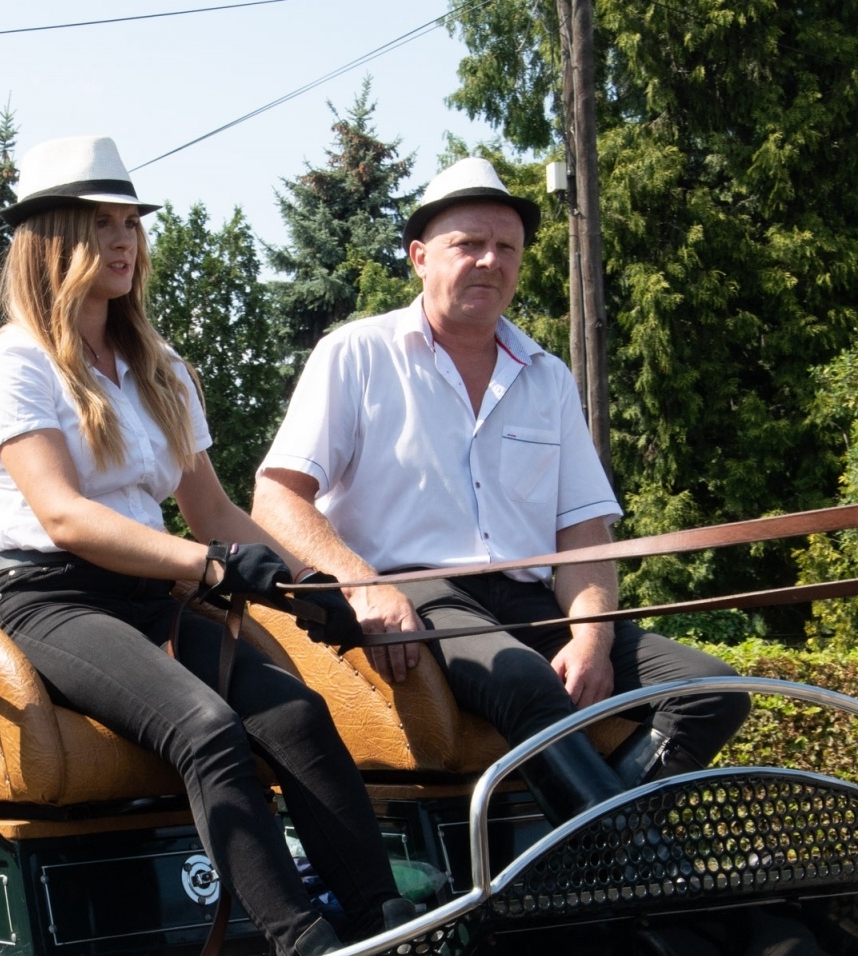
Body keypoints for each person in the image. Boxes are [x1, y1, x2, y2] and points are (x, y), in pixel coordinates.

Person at [0, 135, 409, 956]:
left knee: (298, 714)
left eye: (131, 222)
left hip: (152, 590)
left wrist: (314, 589)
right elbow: (64, 517)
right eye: (100, 224)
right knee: (207, 730)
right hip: (53, 597)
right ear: (51, 240)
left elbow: (210, 508)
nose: (124, 240)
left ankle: (386, 928)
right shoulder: (16, 363)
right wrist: (208, 568)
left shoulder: (157, 364)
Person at [253, 157, 749, 825]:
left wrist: (592, 639)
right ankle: (628, 865)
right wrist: (361, 584)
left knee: (714, 690)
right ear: (420, 257)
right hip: (419, 593)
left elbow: (582, 535)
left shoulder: (548, 378)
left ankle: (584, 859)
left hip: (531, 601)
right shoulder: (357, 354)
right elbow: (276, 496)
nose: (489, 260)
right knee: (519, 679)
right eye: (468, 245)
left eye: (505, 247)